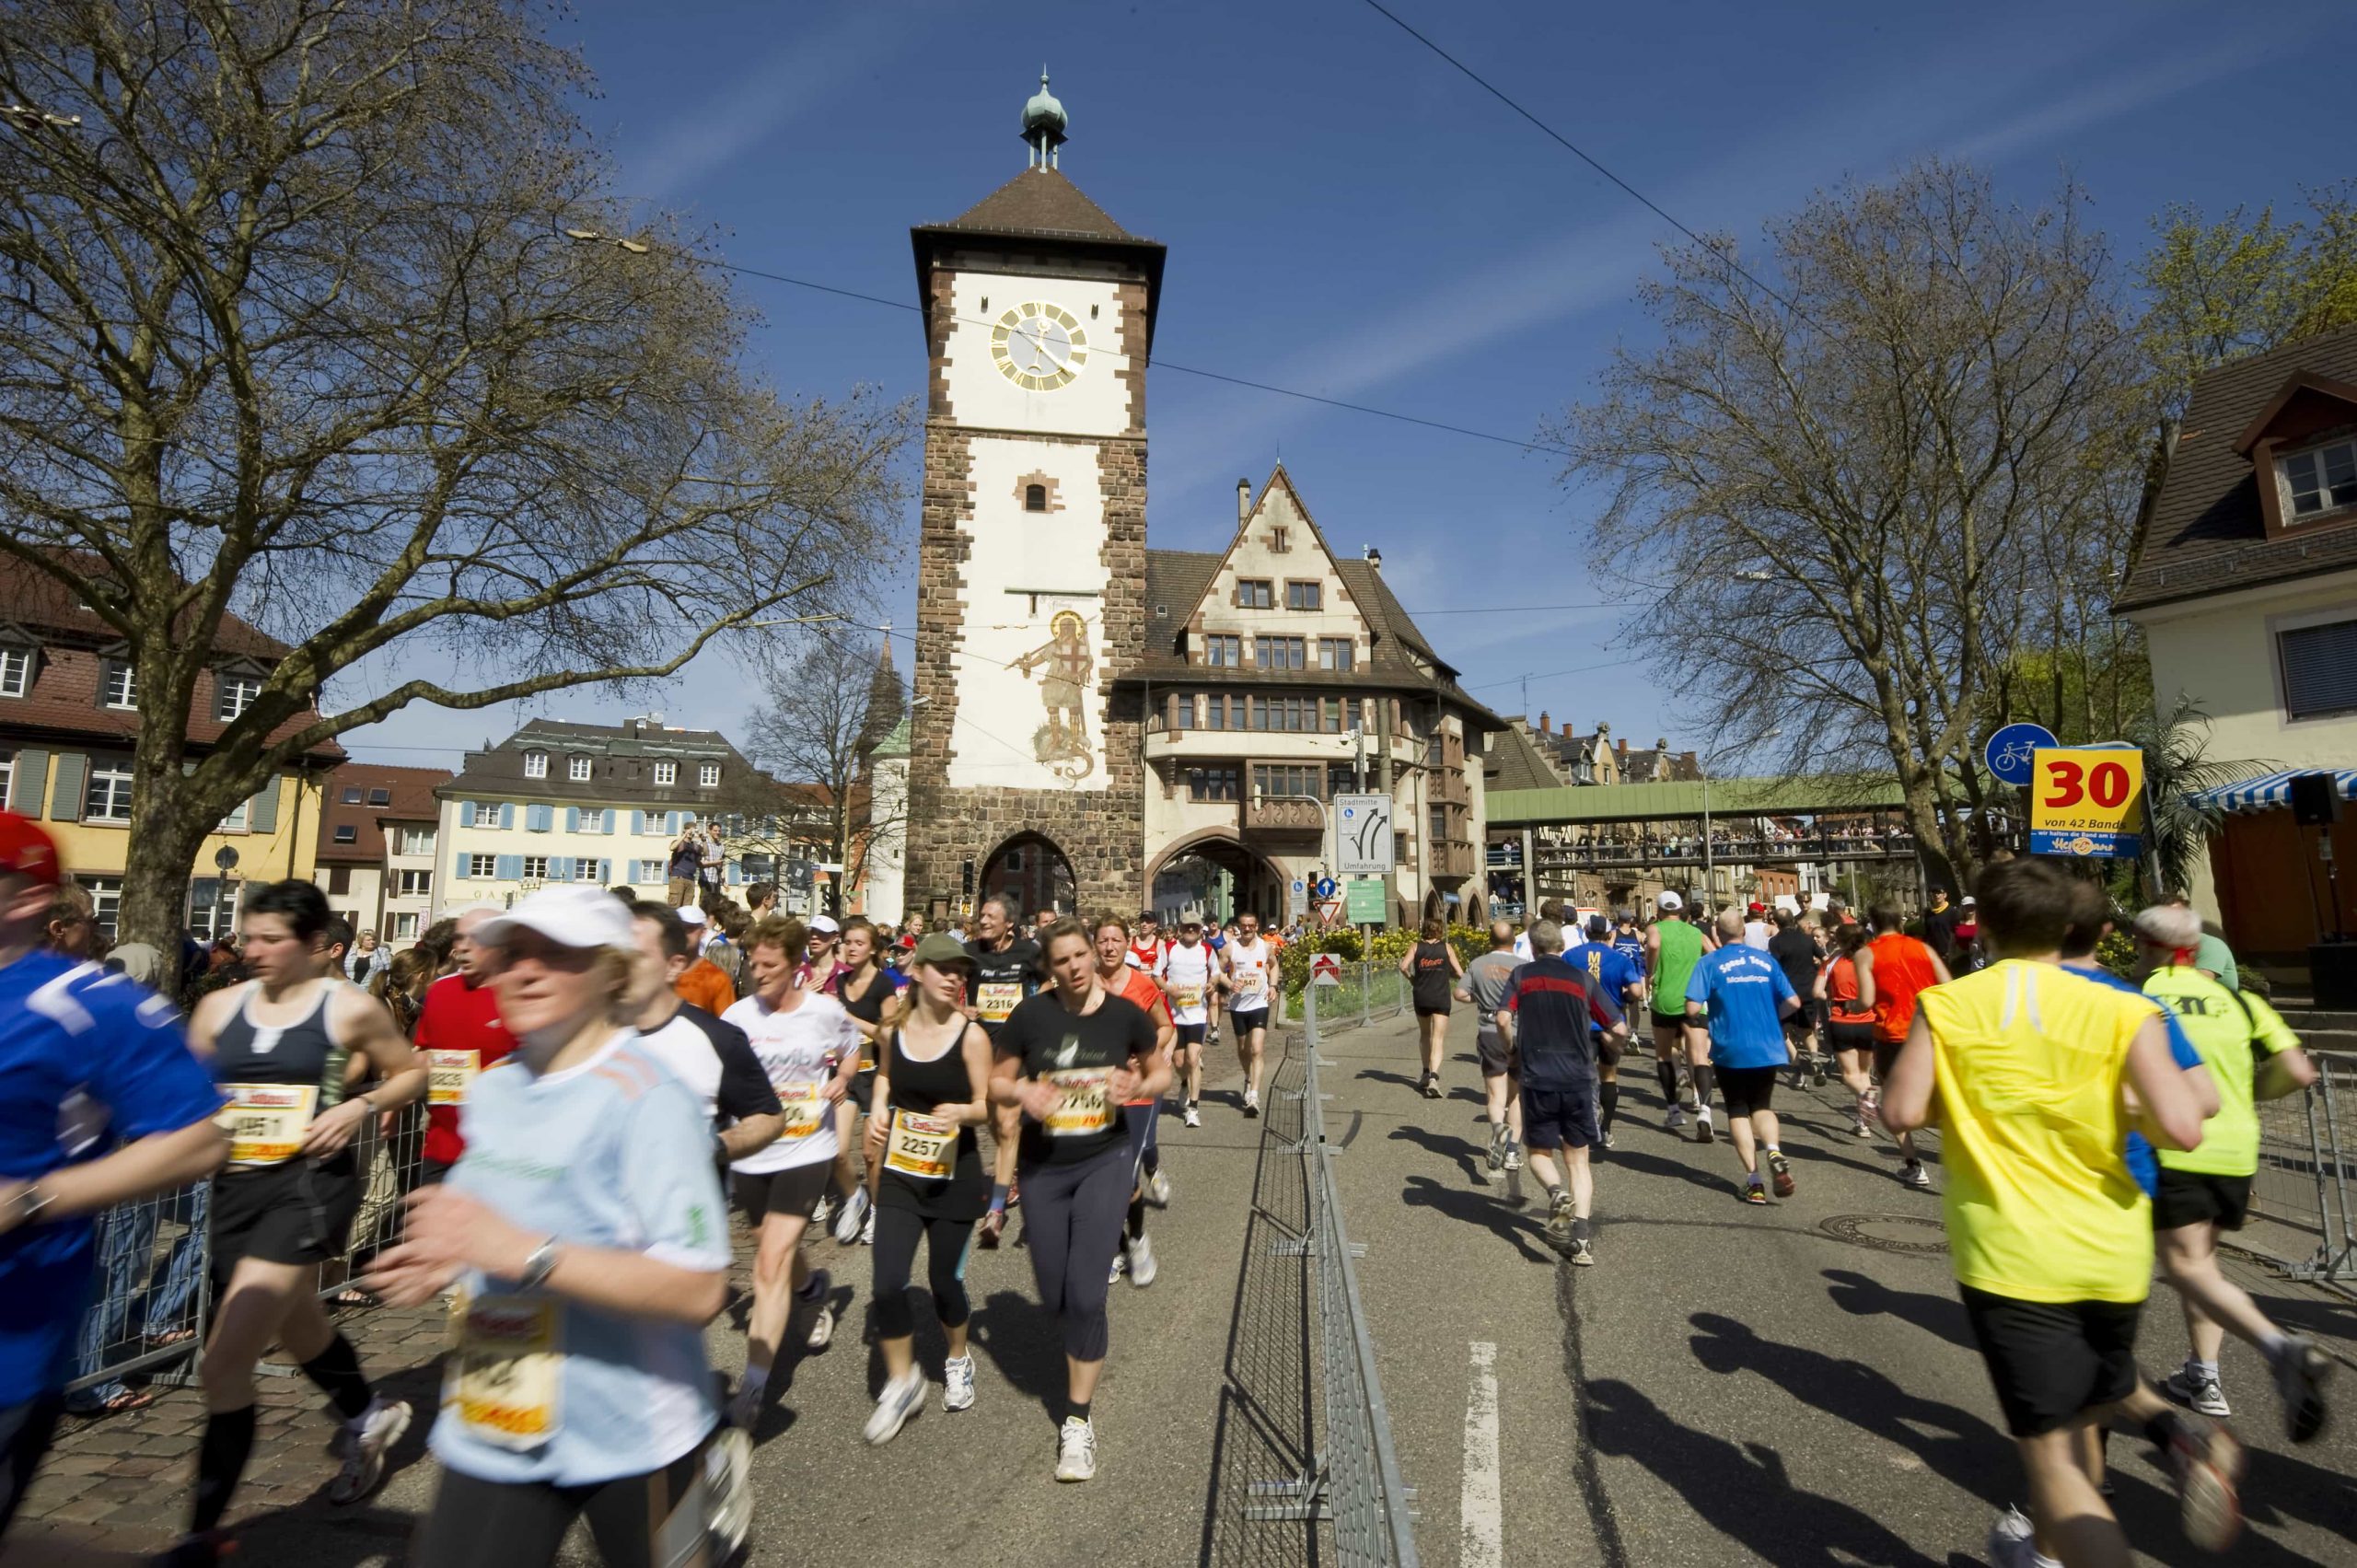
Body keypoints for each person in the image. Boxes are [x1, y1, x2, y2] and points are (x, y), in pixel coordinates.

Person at [366, 886, 745, 1568]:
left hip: (632, 1424)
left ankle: (710, 1470)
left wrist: (519, 1252)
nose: (526, 971)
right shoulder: (496, 1088)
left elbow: (698, 1289)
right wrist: (444, 1258)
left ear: (610, 972)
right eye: (514, 953)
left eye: (556, 954)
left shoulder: (651, 1097)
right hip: (498, 1412)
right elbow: (489, 1226)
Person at [1883, 860, 2206, 1568]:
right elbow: (2186, 1124)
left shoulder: (1952, 1004)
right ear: (2066, 927)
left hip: (2012, 1258)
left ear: (1986, 929)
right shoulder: (2127, 1007)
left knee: (2056, 1467)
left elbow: (1900, 1110)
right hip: (2113, 1252)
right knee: (2090, 1415)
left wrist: (1968, 1101)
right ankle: (2066, 1541)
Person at [170, 880, 427, 1562]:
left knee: (223, 1360)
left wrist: (356, 1108)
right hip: (235, 1187)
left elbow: (410, 1071)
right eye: (248, 935)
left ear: (314, 945)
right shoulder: (219, 1007)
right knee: (294, 1322)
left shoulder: (347, 1007)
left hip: (310, 1187)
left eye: (270, 939)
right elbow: (180, 1094)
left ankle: (201, 1534)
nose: (252, 949)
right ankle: (369, 1414)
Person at [0, 815, 226, 1537]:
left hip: (12, 1334)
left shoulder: (91, 1001)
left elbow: (203, 1136)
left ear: (25, 899)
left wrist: (36, 1197)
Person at [2136, 905, 2330, 1440]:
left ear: (2146, 946)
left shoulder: (2142, 997)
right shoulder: (2242, 1002)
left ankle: (2280, 1348)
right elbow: (2298, 1071)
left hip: (2171, 1145)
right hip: (2235, 1152)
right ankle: (2205, 1375)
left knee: (2181, 1268)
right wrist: (2247, 1093)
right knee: (2202, 1266)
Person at [989, 918, 1168, 1481]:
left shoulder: (1125, 1014)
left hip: (1105, 1160)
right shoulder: (1031, 1015)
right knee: (1055, 1293)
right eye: (1061, 959)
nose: (1074, 966)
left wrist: (1139, 1086)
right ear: (1049, 966)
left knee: (1087, 1297)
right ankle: (1075, 1326)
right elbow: (996, 1080)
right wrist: (1022, 1090)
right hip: (1043, 1167)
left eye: (1080, 955)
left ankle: (1077, 1421)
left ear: (1093, 955)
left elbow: (1162, 1068)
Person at [722, 916, 861, 1429]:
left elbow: (852, 1052)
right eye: (752, 964)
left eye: (769, 965)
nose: (758, 973)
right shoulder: (736, 1017)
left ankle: (754, 1389)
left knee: (769, 1264)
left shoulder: (824, 1012)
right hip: (753, 1154)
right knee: (771, 1251)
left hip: (807, 1148)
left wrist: (843, 1080)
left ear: (794, 966)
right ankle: (811, 1291)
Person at [858, 935, 993, 1444]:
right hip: (901, 1169)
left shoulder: (972, 1038)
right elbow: (885, 1078)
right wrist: (876, 1110)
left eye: (962, 972)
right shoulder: (894, 1028)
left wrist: (964, 1111)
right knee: (887, 1281)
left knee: (942, 1280)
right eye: (946, 969)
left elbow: (988, 1105)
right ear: (918, 972)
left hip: (955, 1176)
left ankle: (957, 1357)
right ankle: (902, 1381)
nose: (956, 978)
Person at [1496, 920, 1626, 1263]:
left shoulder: (1522, 977)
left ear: (1534, 949)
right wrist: (1614, 1044)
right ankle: (1581, 1241)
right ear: (1561, 948)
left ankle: (1556, 1193)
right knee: (1579, 1161)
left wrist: (1511, 1050)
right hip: (1579, 1078)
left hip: (1538, 1076)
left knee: (1539, 1153)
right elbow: (1619, 1026)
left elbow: (1502, 1018)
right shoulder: (1583, 981)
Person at [622, 901, 784, 1165]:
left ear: (674, 966)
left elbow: (768, 1116)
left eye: (637, 956)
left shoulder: (718, 1039)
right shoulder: (586, 1036)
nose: (623, 966)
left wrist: (713, 1148)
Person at [1685, 911, 1803, 1203]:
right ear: (1743, 931)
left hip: (1730, 1047)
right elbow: (1794, 1002)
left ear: (1717, 933)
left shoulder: (1709, 962)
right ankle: (1773, 1149)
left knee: (1738, 1110)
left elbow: (1690, 1009)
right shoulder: (1765, 960)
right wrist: (1773, 1018)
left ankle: (1754, 1180)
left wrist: (1713, 1010)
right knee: (1762, 1106)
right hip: (1767, 1045)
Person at [1096, 917, 1177, 1288]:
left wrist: (1144, 1054)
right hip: (1094, 1092)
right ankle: (1116, 1247)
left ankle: (1137, 1240)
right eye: (1103, 940)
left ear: (1127, 944)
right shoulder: (1085, 984)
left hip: (1138, 1090)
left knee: (1125, 1178)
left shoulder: (1142, 984)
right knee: (1101, 1177)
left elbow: (1164, 1027)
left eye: (1116, 940)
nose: (1109, 947)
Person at [413, 907, 515, 1185]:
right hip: (441, 1150)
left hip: (505, 1157)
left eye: (477, 938)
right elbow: (424, 1052)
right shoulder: (439, 992)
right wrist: (394, 1101)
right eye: (459, 939)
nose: (464, 948)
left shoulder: (524, 995)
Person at [966, 896, 1044, 1249]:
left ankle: (996, 1209)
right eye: (982, 915)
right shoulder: (968, 953)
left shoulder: (1028, 952)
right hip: (982, 1050)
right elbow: (951, 985)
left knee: (1009, 1124)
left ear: (1008, 924)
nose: (982, 920)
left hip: (1017, 1051)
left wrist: (1032, 1007)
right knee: (996, 1123)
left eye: (990, 916)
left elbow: (1049, 980)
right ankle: (1015, 1167)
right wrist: (960, 1007)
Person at [1858, 901, 1949, 1190]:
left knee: (1893, 1103)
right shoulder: (1924, 948)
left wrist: (1850, 1004)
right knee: (1939, 1097)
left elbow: (1866, 1001)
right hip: (1928, 1031)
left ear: (1872, 922)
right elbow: (1948, 985)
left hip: (1892, 1036)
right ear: (1900, 921)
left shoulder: (1866, 954)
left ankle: (1913, 1164)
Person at [829, 916, 905, 1247]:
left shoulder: (883, 985)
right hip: (846, 1074)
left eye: (859, 942)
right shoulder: (840, 983)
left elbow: (890, 1033)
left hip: (877, 1074)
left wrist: (847, 1017)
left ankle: (877, 1210)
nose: (851, 947)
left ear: (873, 948)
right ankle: (854, 1197)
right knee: (837, 1150)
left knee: (872, 1155)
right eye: (847, 941)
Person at [1562, 915, 1644, 1149]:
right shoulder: (1619, 959)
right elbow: (1637, 991)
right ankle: (1605, 1129)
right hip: (1610, 1024)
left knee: (1582, 1076)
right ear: (1610, 935)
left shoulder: (1570, 956)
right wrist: (1626, 998)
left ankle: (1582, 1125)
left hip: (1580, 1025)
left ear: (1586, 933)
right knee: (1609, 1076)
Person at [1457, 921, 1525, 1180]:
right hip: (1519, 1030)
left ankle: (1498, 1129)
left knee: (1496, 1096)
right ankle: (1512, 1151)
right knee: (1516, 1097)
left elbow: (1460, 993)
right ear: (1513, 941)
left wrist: (1480, 999)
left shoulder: (1477, 964)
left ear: (1490, 941)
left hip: (1489, 1031)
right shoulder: (1523, 966)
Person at [1644, 892, 1712, 1138]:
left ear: (1660, 911)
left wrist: (1649, 970)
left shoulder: (1656, 928)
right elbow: (1713, 952)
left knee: (1664, 1055)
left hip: (1666, 1000)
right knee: (1700, 1057)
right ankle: (1704, 1110)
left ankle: (1674, 1110)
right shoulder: (1695, 932)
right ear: (1681, 910)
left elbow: (1652, 945)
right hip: (1694, 998)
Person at [1818, 923, 1878, 1138]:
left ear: (1839, 941)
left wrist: (1834, 998)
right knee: (1864, 1073)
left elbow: (1817, 991)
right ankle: (1863, 1123)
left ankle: (1865, 1097)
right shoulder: (1869, 959)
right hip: (1868, 1019)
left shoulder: (1832, 961)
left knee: (1849, 1075)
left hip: (1841, 1019)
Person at [1156, 917, 1215, 1127]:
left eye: (1195, 927)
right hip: (1174, 1015)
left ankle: (1193, 1109)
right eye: (1187, 926)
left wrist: (1211, 985)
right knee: (1179, 1062)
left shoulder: (1207, 950)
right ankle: (1184, 1083)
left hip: (1197, 1014)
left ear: (1200, 930)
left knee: (1192, 1058)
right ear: (1180, 929)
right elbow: (1156, 975)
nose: (1191, 930)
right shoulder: (1170, 948)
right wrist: (1169, 988)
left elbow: (1216, 974)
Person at [1217, 911, 1275, 1117]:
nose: (1248, 929)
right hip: (1238, 1006)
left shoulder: (1265, 946)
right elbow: (1218, 971)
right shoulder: (1230, 948)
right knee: (1243, 1050)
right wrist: (1230, 983)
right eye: (1244, 926)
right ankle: (1248, 1077)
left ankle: (1254, 1095)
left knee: (1257, 1049)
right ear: (1239, 927)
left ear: (1257, 926)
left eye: (1251, 925)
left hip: (1259, 1003)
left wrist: (1274, 986)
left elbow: (1274, 965)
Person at [1400, 918, 1464, 1098]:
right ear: (1440, 930)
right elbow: (1460, 972)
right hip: (1441, 996)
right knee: (1438, 1037)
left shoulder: (1415, 947)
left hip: (1421, 995)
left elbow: (1403, 966)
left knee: (1425, 1035)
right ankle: (1434, 1078)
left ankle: (1425, 1073)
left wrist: (1413, 979)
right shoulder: (1446, 948)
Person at [1767, 909, 1825, 1082]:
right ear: (1793, 920)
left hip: (1787, 993)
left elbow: (1775, 968)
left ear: (1775, 923)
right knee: (1808, 1030)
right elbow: (1824, 957)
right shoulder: (1808, 939)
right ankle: (1814, 1057)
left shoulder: (1775, 942)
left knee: (1783, 1033)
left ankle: (1797, 1066)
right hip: (1808, 990)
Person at [670, 906, 736, 1015]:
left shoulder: (717, 979)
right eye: (678, 928)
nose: (683, 934)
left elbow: (727, 1023)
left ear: (703, 932)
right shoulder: (658, 972)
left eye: (689, 928)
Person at [1922, 886, 1957, 963]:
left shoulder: (1952, 911)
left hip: (1948, 953)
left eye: (1939, 893)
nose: (1936, 895)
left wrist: (1953, 951)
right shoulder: (1928, 913)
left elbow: (1956, 933)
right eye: (1934, 893)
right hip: (1933, 954)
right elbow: (1927, 933)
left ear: (1945, 895)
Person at [666, 830, 702, 908]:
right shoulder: (680, 843)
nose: (691, 833)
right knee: (674, 907)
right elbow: (671, 847)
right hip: (679, 877)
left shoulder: (695, 846)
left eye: (692, 832)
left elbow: (706, 853)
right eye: (689, 831)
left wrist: (703, 840)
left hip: (691, 879)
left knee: (686, 909)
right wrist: (684, 836)